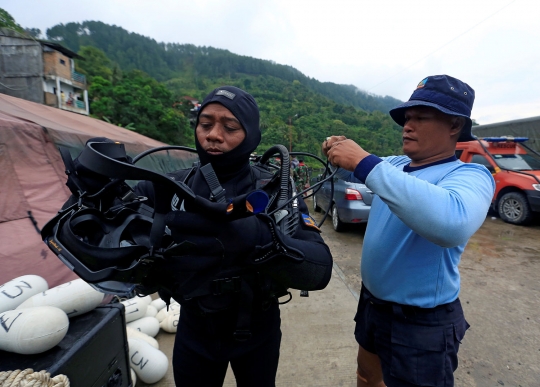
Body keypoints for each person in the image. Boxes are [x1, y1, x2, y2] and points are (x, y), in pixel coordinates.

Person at [63, 86, 332, 387]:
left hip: (259, 329)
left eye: (230, 127)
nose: (214, 135)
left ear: (252, 134)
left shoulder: (274, 191)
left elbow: (319, 270)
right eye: (205, 124)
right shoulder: (168, 189)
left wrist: (259, 237)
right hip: (194, 329)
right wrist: (92, 192)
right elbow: (91, 233)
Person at [322, 75, 495, 387]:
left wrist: (363, 161)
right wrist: (337, 148)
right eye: (406, 118)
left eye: (420, 117)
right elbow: (355, 168)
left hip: (419, 322)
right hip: (372, 303)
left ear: (454, 126)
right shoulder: (396, 165)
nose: (407, 125)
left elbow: (451, 224)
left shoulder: (469, 174)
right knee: (366, 376)